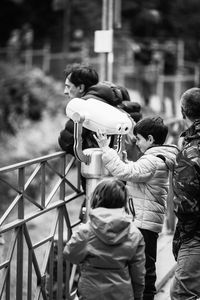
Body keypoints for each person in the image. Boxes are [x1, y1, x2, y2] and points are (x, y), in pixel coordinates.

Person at [95, 116, 179, 300]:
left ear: (150, 139)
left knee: (144, 268)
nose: (136, 143)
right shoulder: (157, 157)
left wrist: (105, 149)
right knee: (144, 264)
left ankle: (146, 296)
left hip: (143, 222)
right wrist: (123, 160)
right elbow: (136, 170)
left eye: (138, 139)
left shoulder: (153, 160)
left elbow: (127, 172)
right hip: (146, 220)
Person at [63, 178, 146, 300]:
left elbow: (70, 255)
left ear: (97, 199)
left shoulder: (86, 231)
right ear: (123, 201)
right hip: (121, 295)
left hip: (90, 294)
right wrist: (138, 297)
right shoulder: (134, 234)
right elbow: (138, 274)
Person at [170, 87, 200, 300]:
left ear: (182, 112)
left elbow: (186, 203)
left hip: (196, 232)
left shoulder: (191, 150)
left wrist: (185, 237)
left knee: (182, 293)